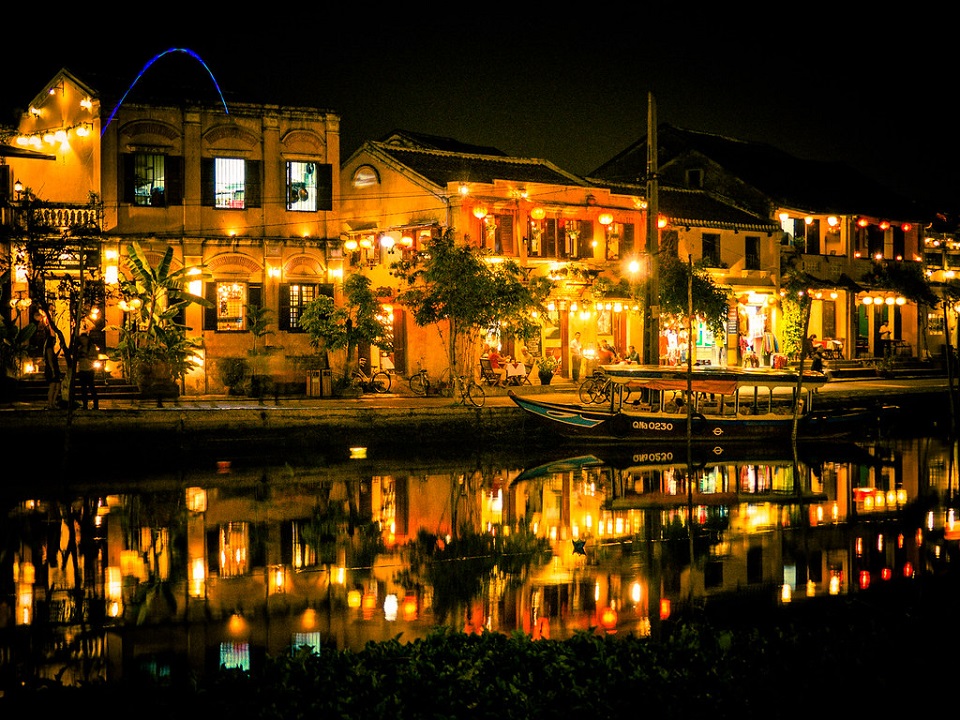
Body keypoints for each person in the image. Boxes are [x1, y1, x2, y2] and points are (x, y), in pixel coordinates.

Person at [75, 331, 99, 410]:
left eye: (84, 340)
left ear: (87, 339)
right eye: (81, 340)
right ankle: (85, 405)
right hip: (82, 369)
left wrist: (87, 356)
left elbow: (95, 357)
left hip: (89, 369)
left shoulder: (91, 347)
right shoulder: (79, 348)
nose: (83, 341)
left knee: (91, 387)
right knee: (83, 388)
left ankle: (95, 404)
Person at [43, 334, 62, 410]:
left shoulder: (51, 349)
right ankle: (50, 404)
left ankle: (53, 403)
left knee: (57, 387)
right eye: (54, 341)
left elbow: (53, 357)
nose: (55, 342)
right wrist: (53, 371)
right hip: (51, 369)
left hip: (54, 368)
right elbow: (50, 360)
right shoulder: (49, 349)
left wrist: (60, 348)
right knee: (52, 386)